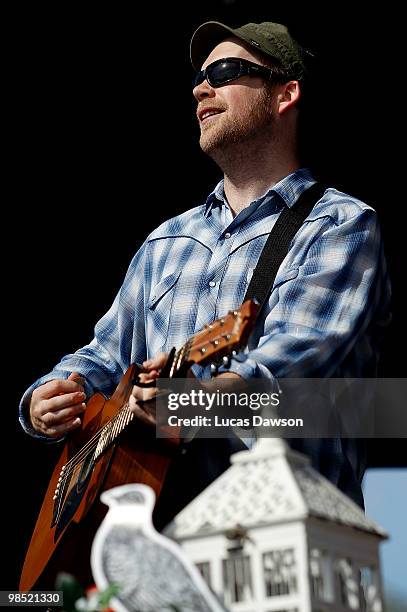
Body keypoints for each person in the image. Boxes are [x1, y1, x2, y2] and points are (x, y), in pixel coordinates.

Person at [20, 20, 391, 521]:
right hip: (161, 536)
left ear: (285, 95)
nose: (200, 87)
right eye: (199, 76)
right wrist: (54, 393)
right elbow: (105, 354)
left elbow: (292, 364)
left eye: (225, 71)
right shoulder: (165, 241)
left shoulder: (341, 225)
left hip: (283, 536)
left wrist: (189, 404)